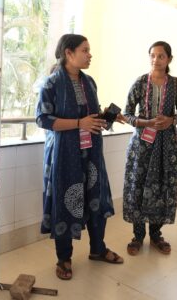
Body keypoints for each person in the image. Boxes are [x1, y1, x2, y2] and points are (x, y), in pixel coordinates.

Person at [36, 33, 124, 281]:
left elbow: (91, 116)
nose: (90, 55)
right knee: (66, 203)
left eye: (89, 50)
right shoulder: (51, 84)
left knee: (97, 199)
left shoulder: (90, 82)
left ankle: (98, 249)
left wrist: (106, 117)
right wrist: (78, 123)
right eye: (85, 50)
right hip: (65, 155)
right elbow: (43, 119)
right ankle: (64, 258)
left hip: (92, 153)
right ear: (69, 53)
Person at [122, 41, 177, 256]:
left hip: (166, 145)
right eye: (152, 55)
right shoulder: (141, 82)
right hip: (142, 145)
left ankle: (156, 235)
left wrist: (171, 120)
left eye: (160, 56)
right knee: (139, 186)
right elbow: (127, 114)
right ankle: (138, 236)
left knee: (161, 187)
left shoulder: (176, 84)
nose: (155, 60)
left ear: (169, 59)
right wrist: (145, 123)